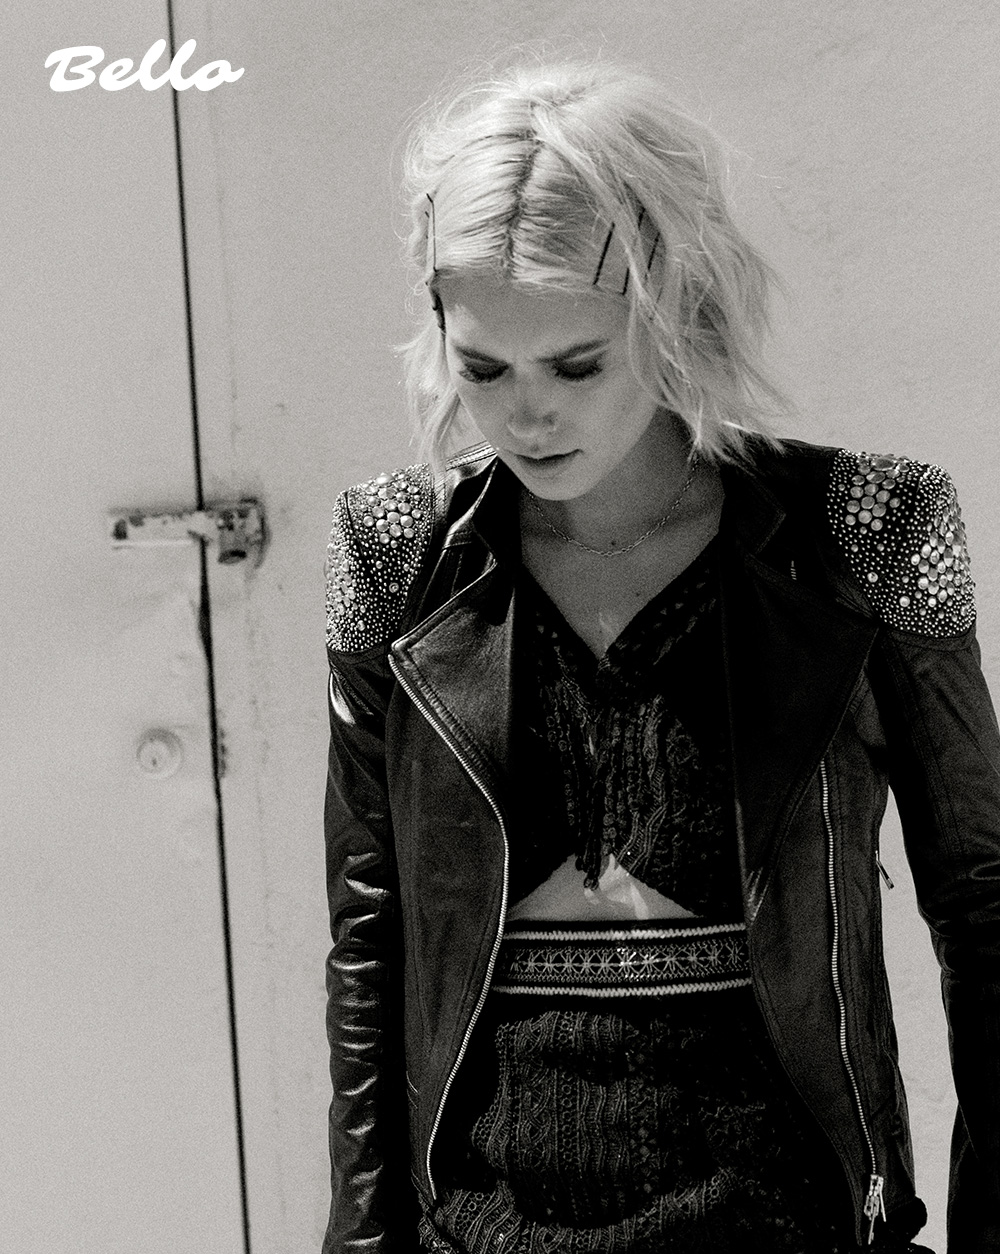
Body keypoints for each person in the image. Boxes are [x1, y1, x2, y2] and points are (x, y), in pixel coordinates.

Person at [322, 60, 1000, 1253]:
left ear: (671, 307)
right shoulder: (395, 550)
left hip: (788, 1224)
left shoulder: (867, 529)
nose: (526, 414)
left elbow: (982, 903)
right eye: (483, 368)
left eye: (575, 364)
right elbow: (369, 938)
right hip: (482, 1230)